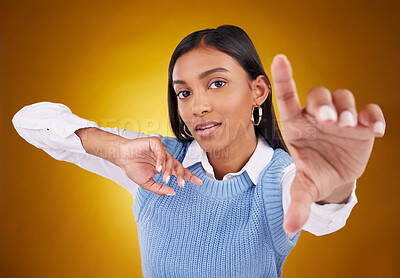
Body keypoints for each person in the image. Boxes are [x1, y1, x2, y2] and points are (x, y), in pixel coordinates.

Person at [12, 25, 385, 277]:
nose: (197, 107)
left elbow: (320, 215)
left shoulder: (280, 178)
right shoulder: (155, 161)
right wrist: (116, 148)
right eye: (184, 92)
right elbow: (29, 121)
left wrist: (334, 184)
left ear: (258, 91)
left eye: (217, 83)